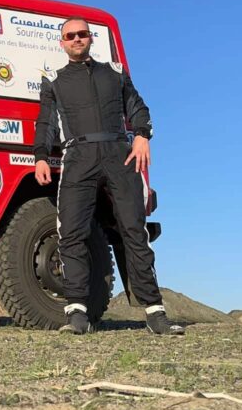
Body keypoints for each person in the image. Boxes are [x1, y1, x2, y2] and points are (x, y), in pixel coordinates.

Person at [33, 17, 184, 336]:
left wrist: (142, 135)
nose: (76, 39)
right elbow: (45, 122)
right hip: (78, 156)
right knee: (71, 231)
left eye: (82, 34)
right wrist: (41, 157)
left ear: (91, 38)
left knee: (133, 229)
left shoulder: (114, 73)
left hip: (119, 152)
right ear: (61, 42)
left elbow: (138, 106)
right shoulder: (54, 79)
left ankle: (155, 313)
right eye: (69, 36)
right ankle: (77, 312)